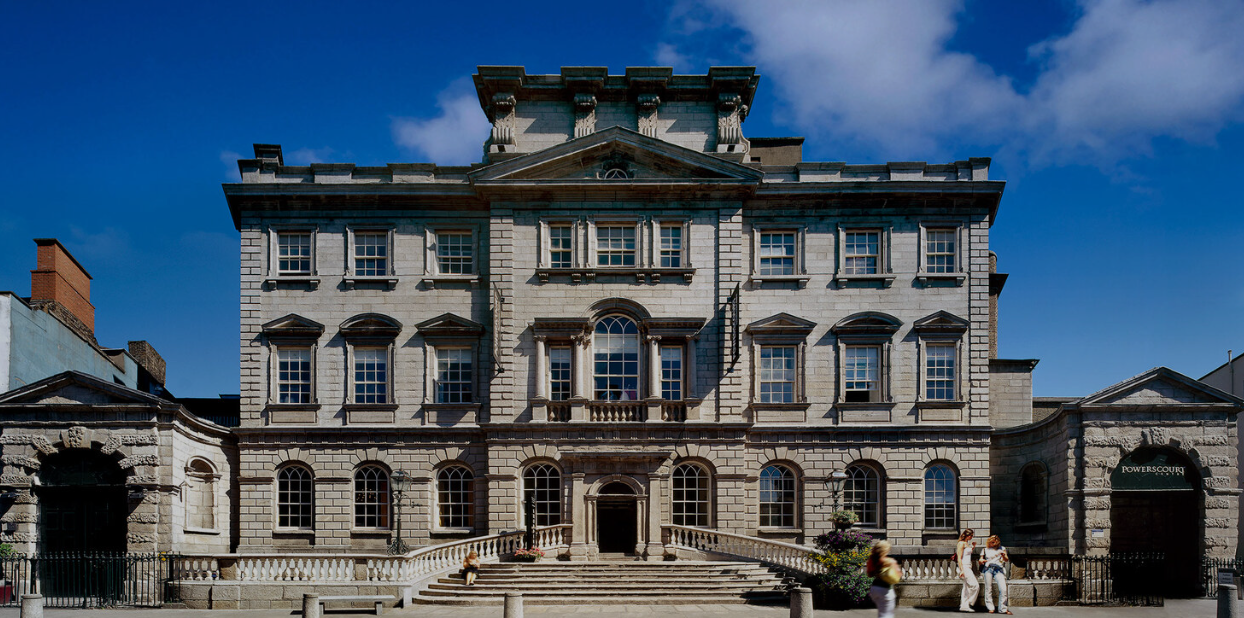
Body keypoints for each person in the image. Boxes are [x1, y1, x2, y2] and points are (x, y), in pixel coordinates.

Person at [865, 540, 902, 618]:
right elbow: (898, 575)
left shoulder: (871, 560)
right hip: (886, 590)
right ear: (886, 550)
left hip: (874, 589)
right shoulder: (889, 561)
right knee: (886, 615)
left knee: (882, 613)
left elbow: (869, 574)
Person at [979, 535, 1011, 614]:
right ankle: (990, 607)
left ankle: (1003, 608)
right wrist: (982, 561)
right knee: (988, 589)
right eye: (991, 542)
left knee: (1003, 589)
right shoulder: (985, 549)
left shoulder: (1002, 548)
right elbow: (980, 560)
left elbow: (1006, 560)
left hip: (998, 569)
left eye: (994, 542)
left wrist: (1003, 556)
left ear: (997, 542)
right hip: (988, 569)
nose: (992, 543)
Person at [956, 529, 979, 612]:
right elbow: (959, 558)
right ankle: (969, 602)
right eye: (971, 535)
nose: (972, 537)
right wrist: (961, 570)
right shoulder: (961, 543)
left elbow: (967, 554)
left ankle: (964, 606)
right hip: (964, 567)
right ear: (967, 535)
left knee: (966, 587)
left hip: (968, 566)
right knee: (975, 586)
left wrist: (973, 547)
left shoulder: (966, 543)